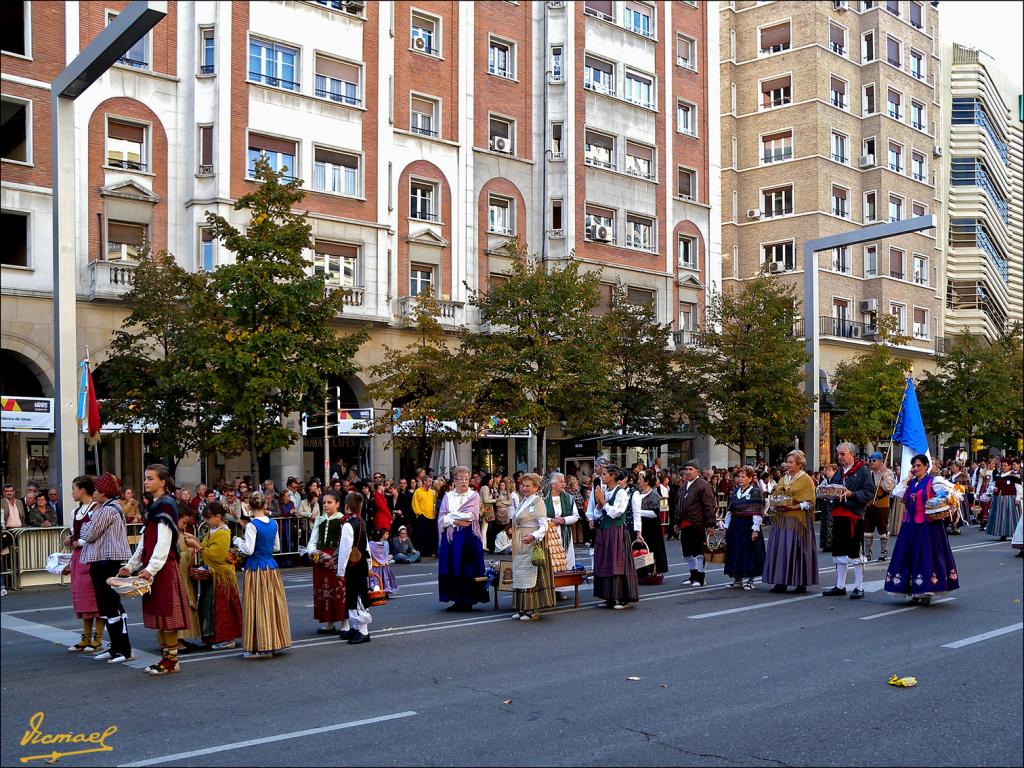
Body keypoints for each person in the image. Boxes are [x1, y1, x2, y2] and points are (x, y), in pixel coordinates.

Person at [120, 464, 192, 675]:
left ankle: (171, 661)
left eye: (151, 478)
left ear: (162, 482)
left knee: (167, 615)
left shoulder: (167, 504)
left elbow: (164, 541)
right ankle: (167, 659)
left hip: (164, 567)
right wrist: (131, 565)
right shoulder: (155, 505)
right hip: (155, 566)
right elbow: (145, 539)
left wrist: (151, 569)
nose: (146, 482)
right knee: (161, 616)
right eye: (145, 478)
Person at [884, 454, 960, 606]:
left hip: (928, 526)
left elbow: (954, 492)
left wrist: (945, 502)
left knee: (926, 557)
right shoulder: (910, 483)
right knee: (909, 556)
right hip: (910, 526)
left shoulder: (934, 481)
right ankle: (914, 589)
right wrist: (906, 478)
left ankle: (925, 591)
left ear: (926, 466)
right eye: (914, 466)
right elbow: (896, 493)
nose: (916, 468)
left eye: (919, 465)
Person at [79, 473, 134, 664]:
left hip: (106, 560)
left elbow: (89, 533)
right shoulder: (109, 508)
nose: (93, 493)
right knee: (106, 605)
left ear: (102, 492)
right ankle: (116, 647)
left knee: (111, 604)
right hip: (103, 560)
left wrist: (83, 527)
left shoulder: (107, 510)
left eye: (95, 490)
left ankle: (123, 649)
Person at [233, 491, 292, 658]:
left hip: (256, 568)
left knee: (257, 605)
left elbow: (248, 549)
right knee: (272, 605)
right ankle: (274, 642)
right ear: (265, 505)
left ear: (250, 507)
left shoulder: (252, 525)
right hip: (271, 567)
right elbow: (276, 548)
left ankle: (260, 646)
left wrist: (238, 541)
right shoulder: (273, 523)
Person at [184, 502, 243, 650]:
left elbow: (215, 555)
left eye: (209, 518)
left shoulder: (223, 533)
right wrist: (194, 539)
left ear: (218, 517)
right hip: (213, 575)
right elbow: (206, 548)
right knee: (210, 607)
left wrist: (197, 546)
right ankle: (214, 637)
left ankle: (227, 638)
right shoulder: (214, 530)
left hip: (221, 576)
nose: (207, 521)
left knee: (221, 608)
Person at [823, 443, 876, 600]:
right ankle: (840, 585)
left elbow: (869, 491)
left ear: (852, 454)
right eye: (838, 454)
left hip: (854, 516)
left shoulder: (862, 470)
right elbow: (835, 488)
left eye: (843, 454)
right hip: (838, 515)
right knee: (839, 550)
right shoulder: (839, 472)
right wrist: (829, 493)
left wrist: (852, 494)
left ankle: (859, 587)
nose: (840, 457)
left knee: (855, 551)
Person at [762, 450, 819, 594]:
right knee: (781, 550)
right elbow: (775, 496)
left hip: (798, 519)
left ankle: (801, 582)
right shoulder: (783, 479)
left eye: (791, 462)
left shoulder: (806, 479)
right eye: (787, 462)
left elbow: (811, 502)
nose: (788, 464)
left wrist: (794, 506)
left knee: (797, 550)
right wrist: (776, 503)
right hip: (782, 519)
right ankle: (780, 582)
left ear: (799, 464)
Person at [437, 466, 489, 612]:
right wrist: (455, 520)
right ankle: (457, 599)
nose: (464, 482)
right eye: (460, 479)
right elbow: (441, 518)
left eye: (466, 478)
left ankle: (469, 599)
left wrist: (451, 516)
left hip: (468, 536)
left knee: (468, 567)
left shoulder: (474, 495)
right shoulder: (448, 496)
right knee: (453, 567)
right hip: (452, 538)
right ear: (454, 481)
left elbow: (471, 516)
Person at [589, 467, 640, 608]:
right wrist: (600, 505)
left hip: (617, 531)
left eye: (605, 474)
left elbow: (616, 512)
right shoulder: (605, 491)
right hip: (605, 530)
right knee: (605, 561)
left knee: (617, 563)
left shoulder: (621, 493)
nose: (602, 476)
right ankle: (608, 597)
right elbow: (599, 513)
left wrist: (604, 503)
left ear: (612, 476)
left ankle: (622, 598)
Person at [510, 473, 556, 621]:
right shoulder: (523, 501)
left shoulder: (538, 502)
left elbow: (544, 526)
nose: (524, 488)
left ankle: (533, 609)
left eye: (527, 486)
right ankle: (522, 607)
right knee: (520, 574)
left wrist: (533, 536)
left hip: (531, 541)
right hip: (520, 542)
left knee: (530, 574)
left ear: (536, 488)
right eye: (522, 485)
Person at [64, 475, 101, 653]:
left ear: (82, 490)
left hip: (93, 556)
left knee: (96, 598)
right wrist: (70, 540)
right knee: (83, 599)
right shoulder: (75, 512)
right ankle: (86, 637)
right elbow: (75, 534)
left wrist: (80, 542)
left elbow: (98, 534)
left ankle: (98, 638)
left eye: (73, 488)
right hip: (80, 557)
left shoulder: (97, 508)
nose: (72, 492)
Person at [305, 490, 346, 635]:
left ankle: (344, 622)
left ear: (338, 504)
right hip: (321, 559)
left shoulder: (342, 520)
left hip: (335, 558)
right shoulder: (320, 519)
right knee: (325, 591)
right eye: (324, 503)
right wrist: (313, 552)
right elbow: (313, 540)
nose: (326, 505)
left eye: (329, 502)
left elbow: (344, 542)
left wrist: (333, 557)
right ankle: (329, 622)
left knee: (339, 590)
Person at [336, 492, 372, 644]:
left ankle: (363, 631)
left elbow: (345, 550)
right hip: (362, 562)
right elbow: (366, 546)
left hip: (353, 565)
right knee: (358, 594)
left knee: (356, 596)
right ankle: (357, 626)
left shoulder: (348, 524)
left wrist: (340, 571)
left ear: (346, 506)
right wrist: (369, 564)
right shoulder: (361, 521)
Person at [673, 461, 717, 588]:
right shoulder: (683, 486)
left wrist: (710, 524)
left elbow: (709, 506)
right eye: (686, 469)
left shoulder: (703, 485)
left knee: (698, 552)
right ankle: (692, 576)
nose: (687, 471)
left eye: (690, 469)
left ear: (697, 471)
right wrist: (676, 522)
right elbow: (678, 506)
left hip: (698, 523)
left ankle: (700, 578)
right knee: (688, 552)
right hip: (684, 523)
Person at [723, 466, 766, 590]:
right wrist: (726, 526)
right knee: (735, 552)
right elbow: (730, 510)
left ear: (750, 478)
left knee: (750, 552)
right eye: (739, 477)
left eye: (743, 477)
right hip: (736, 525)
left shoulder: (755, 491)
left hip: (749, 525)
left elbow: (757, 511)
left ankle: (750, 580)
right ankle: (737, 579)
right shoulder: (735, 491)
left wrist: (755, 529)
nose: (740, 479)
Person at [631, 469, 668, 585]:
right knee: (640, 549)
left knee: (650, 549)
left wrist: (637, 512)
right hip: (641, 526)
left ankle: (650, 571)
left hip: (651, 527)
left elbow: (654, 513)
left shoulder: (654, 494)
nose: (638, 481)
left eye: (640, 479)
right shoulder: (638, 493)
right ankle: (641, 572)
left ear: (646, 482)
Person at [545, 472, 581, 571]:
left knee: (566, 560)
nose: (564, 484)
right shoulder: (543, 499)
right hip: (549, 534)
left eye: (564, 482)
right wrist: (550, 520)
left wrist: (563, 520)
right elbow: (537, 517)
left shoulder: (569, 498)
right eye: (561, 482)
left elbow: (576, 516)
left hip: (565, 533)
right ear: (552, 484)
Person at [864, 451, 896, 562]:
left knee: (883, 529)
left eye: (874, 460)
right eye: (870, 460)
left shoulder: (888, 472)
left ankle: (884, 552)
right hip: (869, 504)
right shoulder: (868, 473)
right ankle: (867, 552)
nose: (871, 462)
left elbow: (889, 488)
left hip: (882, 505)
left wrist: (884, 475)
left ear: (881, 462)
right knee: (867, 529)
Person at [986, 458, 1022, 541]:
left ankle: (1014, 533)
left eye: (1005, 465)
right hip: (998, 499)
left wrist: (1017, 498)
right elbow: (991, 485)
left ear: (1010, 466)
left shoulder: (1014, 476)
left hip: (1010, 498)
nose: (1003, 467)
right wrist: (993, 488)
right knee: (999, 516)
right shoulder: (997, 476)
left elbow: (1019, 488)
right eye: (1002, 465)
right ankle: (1002, 533)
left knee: (1012, 517)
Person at [412, 475, 438, 558]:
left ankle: (429, 551)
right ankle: (421, 552)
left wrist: (435, 513)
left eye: (431, 481)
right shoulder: (418, 491)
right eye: (429, 481)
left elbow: (434, 503)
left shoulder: (432, 492)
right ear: (424, 482)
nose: (431, 483)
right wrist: (419, 513)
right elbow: (414, 503)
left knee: (430, 535)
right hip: (422, 516)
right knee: (421, 535)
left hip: (431, 517)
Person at [369, 529, 398, 596]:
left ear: (371, 537)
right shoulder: (382, 544)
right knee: (384, 579)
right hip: (383, 564)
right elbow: (384, 554)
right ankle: (385, 591)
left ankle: (376, 591)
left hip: (375, 565)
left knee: (376, 580)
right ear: (380, 536)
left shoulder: (370, 545)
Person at [490, 479, 513, 553]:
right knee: (496, 531)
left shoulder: (507, 493)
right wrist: (502, 502)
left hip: (505, 514)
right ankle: (495, 548)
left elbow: (510, 502)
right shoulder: (497, 493)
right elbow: (496, 503)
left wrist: (503, 501)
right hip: (498, 514)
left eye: (503, 485)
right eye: (500, 485)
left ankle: (505, 546)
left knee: (505, 531)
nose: (501, 487)